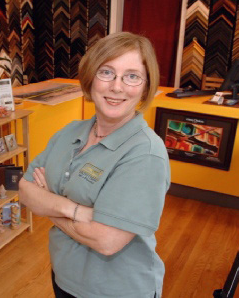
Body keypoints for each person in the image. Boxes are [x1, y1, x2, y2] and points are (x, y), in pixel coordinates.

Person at [19, 32, 170, 298]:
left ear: (145, 87)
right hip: (64, 276)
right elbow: (25, 190)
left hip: (116, 291)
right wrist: (74, 210)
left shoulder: (145, 153)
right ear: (91, 80)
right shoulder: (70, 132)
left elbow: (106, 240)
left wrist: (48, 205)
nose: (117, 87)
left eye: (132, 76)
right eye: (106, 72)